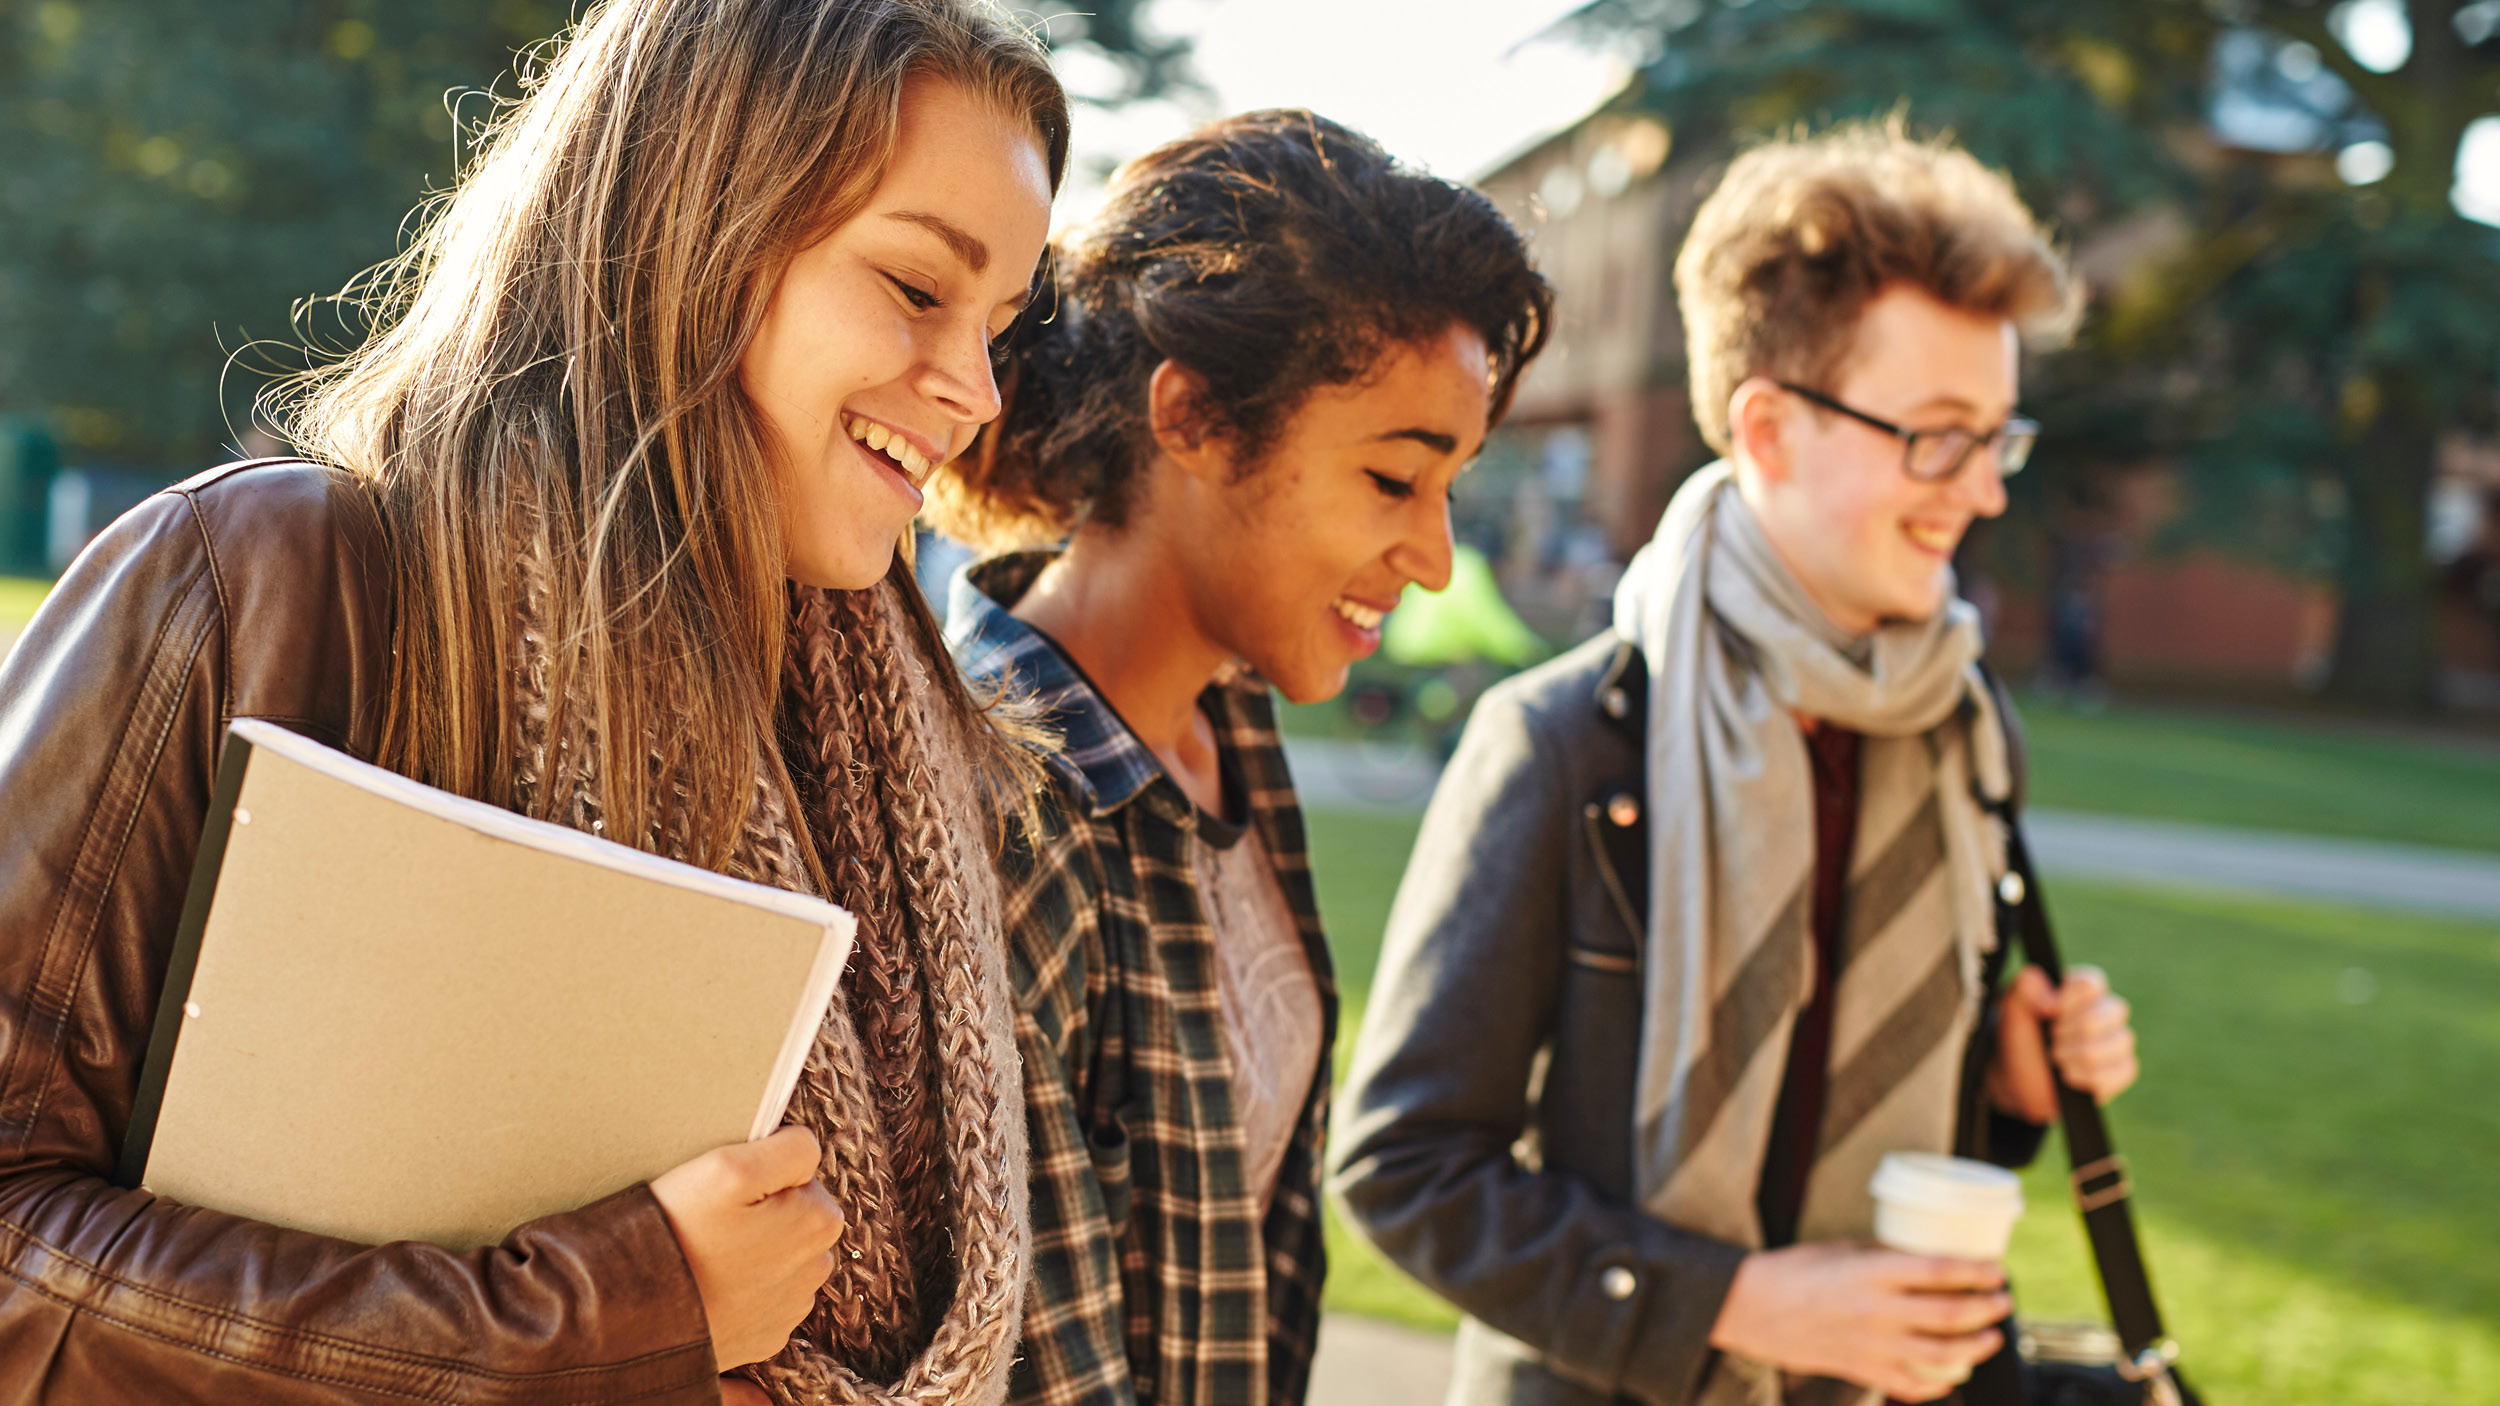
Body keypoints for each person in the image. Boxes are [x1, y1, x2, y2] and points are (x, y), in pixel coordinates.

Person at [0, 2, 1066, 1402]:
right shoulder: (270, 580)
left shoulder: (894, 748)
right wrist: (599, 1319)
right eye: (919, 289)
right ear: (699, 232)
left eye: (1000, 324)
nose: (975, 390)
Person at [1328, 123, 2143, 1406]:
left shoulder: (1966, 729)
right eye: (1936, 435)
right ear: (1767, 429)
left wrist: (2007, 1082)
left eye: (1997, 438)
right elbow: (1405, 1167)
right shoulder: (1566, 741)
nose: (1981, 491)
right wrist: (1738, 1302)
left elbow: (1884, 1116)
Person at [924, 111, 1552, 1406]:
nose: (1435, 558)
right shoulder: (995, 812)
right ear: (1196, 416)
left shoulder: (1230, 730)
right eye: (1393, 480)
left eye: (1451, 492)